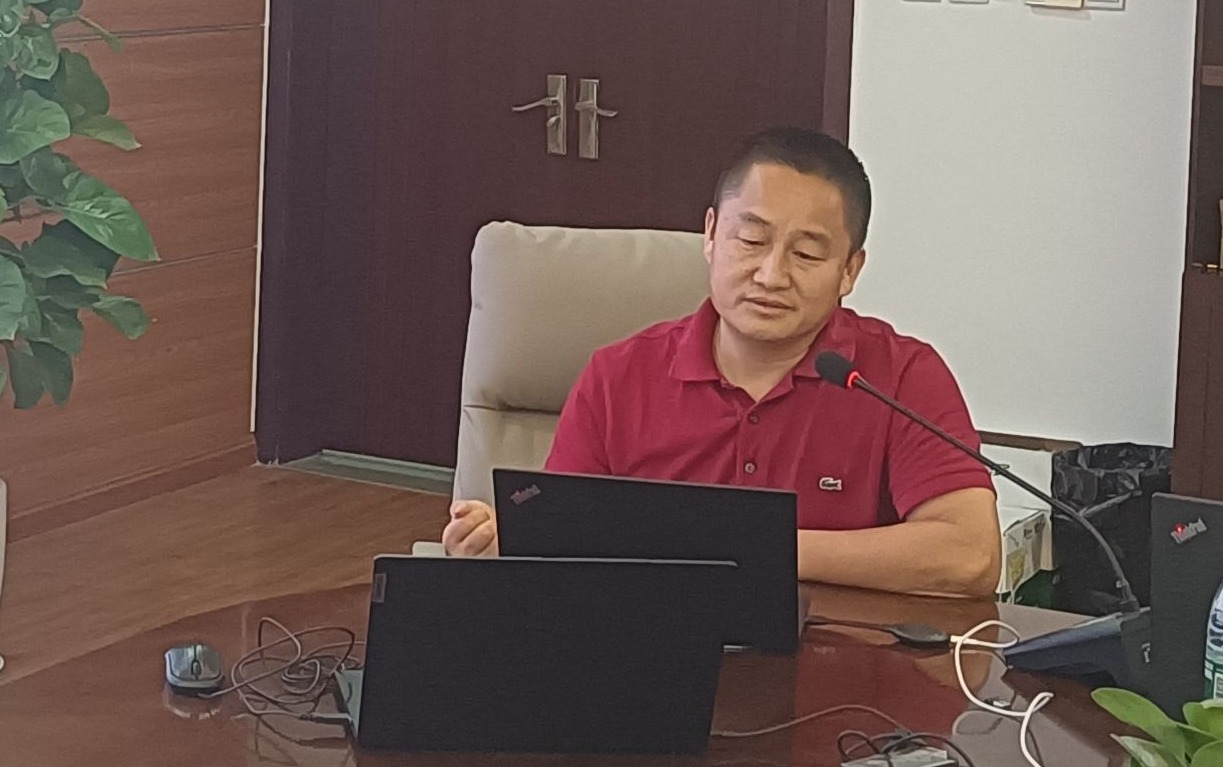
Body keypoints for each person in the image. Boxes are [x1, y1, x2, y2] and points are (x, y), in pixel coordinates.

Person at [443, 127, 1000, 599]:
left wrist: (754, 549)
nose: (771, 275)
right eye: (751, 240)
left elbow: (971, 556)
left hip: (843, 668)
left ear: (850, 271)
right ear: (710, 235)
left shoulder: (900, 376)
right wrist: (505, 542)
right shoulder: (618, 376)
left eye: (806, 254)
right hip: (649, 658)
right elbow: (562, 545)